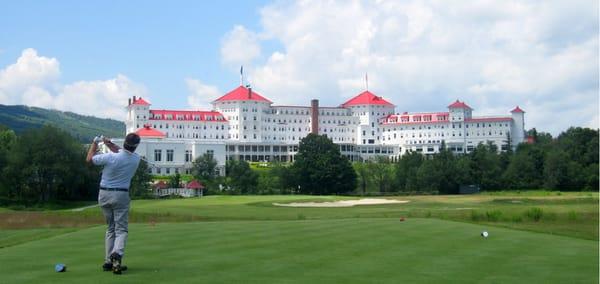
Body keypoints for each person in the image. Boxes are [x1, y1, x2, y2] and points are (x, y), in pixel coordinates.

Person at [86, 133, 141, 275]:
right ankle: (117, 254)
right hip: (121, 195)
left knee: (110, 228)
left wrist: (95, 143)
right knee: (121, 230)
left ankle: (108, 261)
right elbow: (122, 152)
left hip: (104, 194)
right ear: (136, 146)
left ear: (125, 143)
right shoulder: (136, 159)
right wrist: (109, 144)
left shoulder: (111, 157)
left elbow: (89, 159)